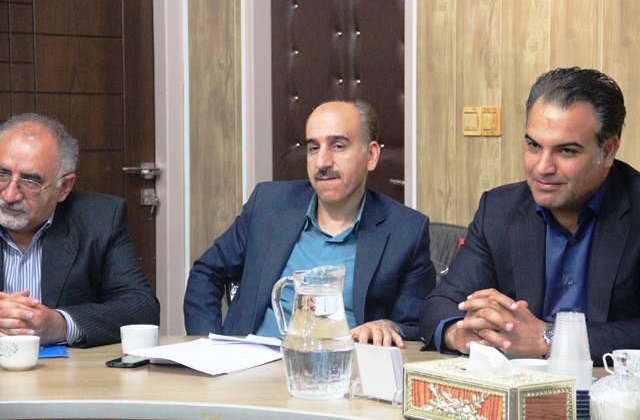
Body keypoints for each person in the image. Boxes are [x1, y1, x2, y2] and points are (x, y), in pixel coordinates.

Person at [419, 67, 640, 365]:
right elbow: (440, 304)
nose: (542, 167)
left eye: (566, 151)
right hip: (518, 382)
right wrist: (458, 332)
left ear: (608, 150)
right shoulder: (499, 210)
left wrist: (548, 337)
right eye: (534, 145)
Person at [184, 100, 436, 346]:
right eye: (314, 148)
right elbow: (207, 273)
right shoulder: (268, 205)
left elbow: (418, 325)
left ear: (371, 155)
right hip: (251, 363)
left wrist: (390, 326)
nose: (322, 162)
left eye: (338, 146)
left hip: (343, 367)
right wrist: (209, 347)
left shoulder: (405, 231)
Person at [0, 113, 160, 348]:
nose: (9, 194)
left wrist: (59, 325)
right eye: (2, 174)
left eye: (30, 182)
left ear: (64, 187)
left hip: (64, 368)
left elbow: (141, 308)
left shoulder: (100, 219)